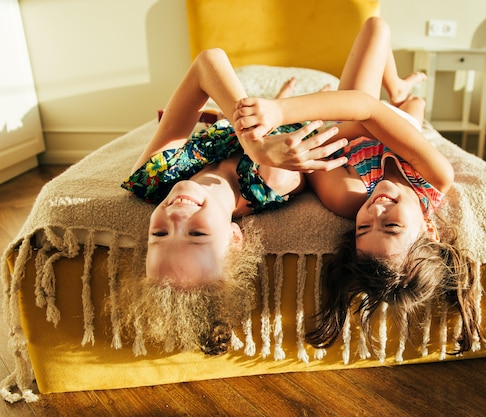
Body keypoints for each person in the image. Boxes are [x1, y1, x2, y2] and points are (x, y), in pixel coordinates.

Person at [233, 17, 481, 353]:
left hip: (353, 122)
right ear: (429, 228)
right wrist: (279, 109)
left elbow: (335, 131)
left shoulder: (347, 196)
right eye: (391, 224)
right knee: (411, 108)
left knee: (376, 30)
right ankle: (397, 90)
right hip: (393, 128)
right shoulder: (437, 177)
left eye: (364, 226)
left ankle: (398, 94)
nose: (375, 209)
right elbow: (368, 112)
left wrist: (355, 125)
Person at [120, 50, 347, 355]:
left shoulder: (152, 177)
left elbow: (206, 63)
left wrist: (254, 143)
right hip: (292, 117)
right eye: (196, 235)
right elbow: (305, 135)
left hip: (238, 114)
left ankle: (277, 97)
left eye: (159, 235)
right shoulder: (273, 179)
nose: (176, 220)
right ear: (233, 236)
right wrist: (263, 140)